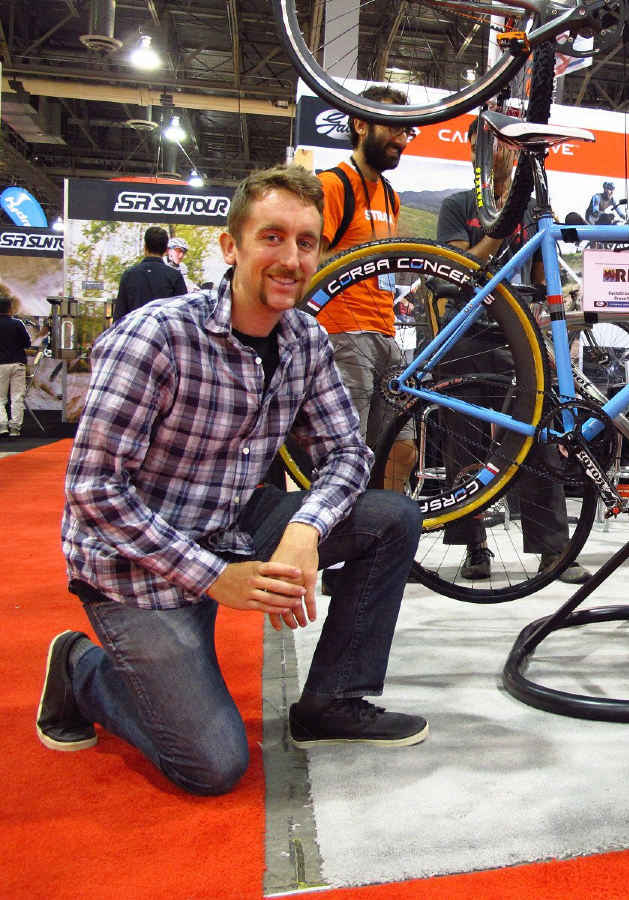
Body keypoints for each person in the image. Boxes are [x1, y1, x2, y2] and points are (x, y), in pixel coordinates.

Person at [38, 165, 426, 797]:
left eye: (307, 242)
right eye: (272, 237)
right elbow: (94, 488)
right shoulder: (159, 335)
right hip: (137, 565)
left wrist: (305, 530)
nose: (291, 258)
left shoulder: (304, 338)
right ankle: (80, 668)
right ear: (231, 247)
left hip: (232, 522)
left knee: (390, 517)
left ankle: (332, 701)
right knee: (212, 767)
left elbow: (348, 455)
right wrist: (215, 578)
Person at [434, 116, 591, 585]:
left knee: (541, 436)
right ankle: (474, 549)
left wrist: (560, 287)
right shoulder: (457, 206)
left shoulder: (531, 212)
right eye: (489, 148)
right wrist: (500, 228)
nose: (500, 155)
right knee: (464, 441)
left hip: (519, 335)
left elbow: (545, 282)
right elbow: (459, 268)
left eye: (506, 148)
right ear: (476, 156)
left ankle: (552, 551)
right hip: (466, 334)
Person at [318, 84, 417, 594]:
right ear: (361, 124)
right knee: (347, 452)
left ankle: (378, 542)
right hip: (342, 332)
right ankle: (337, 556)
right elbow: (311, 261)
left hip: (385, 330)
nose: (403, 137)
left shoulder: (391, 194)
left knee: (399, 450)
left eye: (407, 130)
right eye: (395, 127)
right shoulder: (336, 184)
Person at [112, 226, 187, 322]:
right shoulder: (175, 277)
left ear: (145, 247)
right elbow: (183, 316)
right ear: (165, 250)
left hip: (135, 334)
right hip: (164, 335)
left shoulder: (129, 275)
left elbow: (119, 316)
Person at [0, 297, 32, 437]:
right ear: (10, 309)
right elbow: (27, 343)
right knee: (17, 397)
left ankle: (2, 426)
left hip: (0, 365)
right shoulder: (17, 324)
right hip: (17, 364)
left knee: (0, 398)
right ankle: (15, 427)